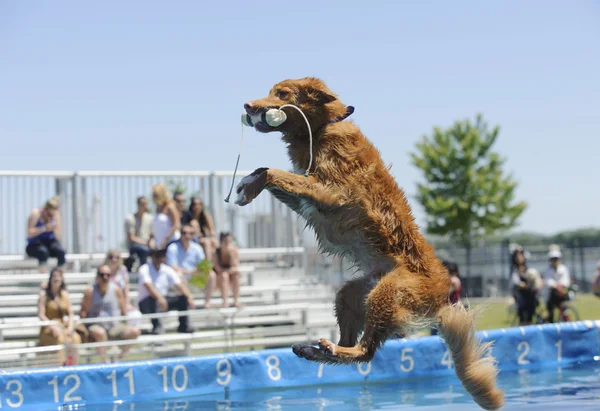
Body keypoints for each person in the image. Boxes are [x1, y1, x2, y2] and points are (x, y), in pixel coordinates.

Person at [79, 265, 141, 363]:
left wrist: (125, 325)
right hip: (96, 326)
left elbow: (123, 310)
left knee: (134, 331)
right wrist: (85, 330)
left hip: (113, 326)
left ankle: (119, 360)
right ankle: (106, 362)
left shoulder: (116, 290)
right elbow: (83, 313)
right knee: (100, 332)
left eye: (108, 275)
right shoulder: (90, 292)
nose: (105, 278)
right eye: (102, 275)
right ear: (97, 277)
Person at [138, 248, 196, 334]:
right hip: (146, 302)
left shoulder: (167, 269)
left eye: (162, 255)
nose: (160, 258)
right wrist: (160, 299)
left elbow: (179, 284)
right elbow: (149, 287)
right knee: (153, 300)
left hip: (162, 299)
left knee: (183, 299)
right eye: (158, 255)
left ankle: (184, 326)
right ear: (152, 256)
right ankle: (157, 327)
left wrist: (189, 297)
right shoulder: (144, 269)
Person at [37, 267, 81, 366]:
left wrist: (70, 327)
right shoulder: (44, 295)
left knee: (75, 338)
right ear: (50, 278)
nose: (56, 279)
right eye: (54, 276)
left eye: (59, 276)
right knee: (60, 339)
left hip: (62, 326)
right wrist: (52, 327)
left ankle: (75, 367)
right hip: (49, 328)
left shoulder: (64, 295)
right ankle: (61, 367)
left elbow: (70, 313)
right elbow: (41, 315)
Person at [166, 223, 216, 308]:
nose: (187, 235)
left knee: (211, 274)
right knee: (178, 275)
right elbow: (172, 265)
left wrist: (195, 271)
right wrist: (188, 272)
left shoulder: (197, 248)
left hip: (193, 279)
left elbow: (203, 263)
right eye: (184, 233)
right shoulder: (172, 247)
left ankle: (207, 302)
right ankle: (189, 301)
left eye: (190, 233)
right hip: (180, 280)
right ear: (180, 234)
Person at [25, 196, 66, 273]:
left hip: (49, 243)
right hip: (35, 244)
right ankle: (43, 279)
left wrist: (54, 227)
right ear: (44, 209)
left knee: (61, 252)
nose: (51, 217)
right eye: (49, 215)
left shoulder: (56, 216)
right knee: (42, 252)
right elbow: (29, 233)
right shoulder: (36, 214)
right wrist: (43, 229)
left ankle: (60, 278)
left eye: (52, 215)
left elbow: (58, 236)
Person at [104, 249, 142, 325]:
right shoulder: (103, 271)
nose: (114, 260)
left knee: (136, 315)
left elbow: (126, 289)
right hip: (107, 304)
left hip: (121, 303)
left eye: (117, 257)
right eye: (111, 257)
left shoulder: (123, 270)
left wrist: (127, 304)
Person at [510, 246, 539, 325]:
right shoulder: (515, 270)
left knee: (530, 317)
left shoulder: (529, 269)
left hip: (530, 296)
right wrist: (524, 285)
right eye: (517, 255)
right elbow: (517, 283)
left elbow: (534, 281)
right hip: (521, 297)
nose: (519, 257)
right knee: (522, 318)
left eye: (520, 255)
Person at [543, 245, 572, 323]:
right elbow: (548, 281)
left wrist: (560, 285)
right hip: (551, 295)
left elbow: (566, 280)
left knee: (564, 309)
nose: (555, 261)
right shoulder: (547, 270)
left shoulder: (563, 269)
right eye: (553, 259)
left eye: (556, 259)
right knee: (551, 312)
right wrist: (555, 286)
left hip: (562, 294)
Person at [124, 196, 153, 271]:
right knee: (143, 249)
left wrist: (151, 242)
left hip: (147, 244)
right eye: (143, 204)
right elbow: (131, 237)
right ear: (138, 205)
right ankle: (144, 270)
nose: (145, 206)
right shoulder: (130, 219)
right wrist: (146, 243)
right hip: (135, 245)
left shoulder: (150, 218)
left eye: (146, 204)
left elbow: (152, 234)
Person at [214, 232, 242, 308]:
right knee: (224, 276)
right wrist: (227, 271)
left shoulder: (234, 251)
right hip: (220, 277)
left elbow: (235, 266)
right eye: (225, 241)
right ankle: (225, 302)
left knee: (236, 275)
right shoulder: (217, 252)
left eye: (229, 241)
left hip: (230, 275)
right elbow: (217, 268)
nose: (227, 243)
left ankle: (236, 301)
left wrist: (231, 253)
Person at [150, 183, 181, 250]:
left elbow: (176, 225)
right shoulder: (157, 208)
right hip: (160, 243)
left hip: (172, 241)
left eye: (156, 195)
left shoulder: (170, 206)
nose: (154, 197)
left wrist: (166, 238)